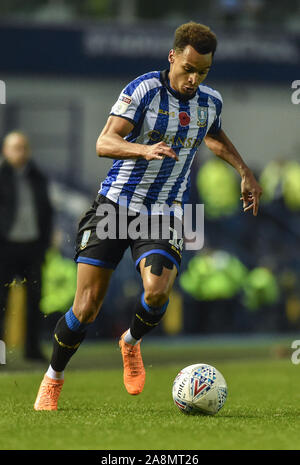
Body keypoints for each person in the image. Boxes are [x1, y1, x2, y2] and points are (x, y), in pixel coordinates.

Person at [34, 21, 262, 410]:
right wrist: (143, 150)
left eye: (202, 72)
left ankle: (130, 342)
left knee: (156, 293)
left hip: (167, 211)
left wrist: (244, 171)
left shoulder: (210, 101)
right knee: (86, 306)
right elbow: (104, 142)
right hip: (115, 205)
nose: (193, 79)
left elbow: (213, 135)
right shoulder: (143, 90)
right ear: (172, 56)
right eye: (188, 68)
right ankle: (53, 378)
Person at [0, 131, 53, 361]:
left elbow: (47, 211)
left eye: (23, 147)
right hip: (5, 247)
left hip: (32, 246)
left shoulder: (38, 176)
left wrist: (45, 242)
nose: (19, 152)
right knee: (0, 302)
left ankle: (32, 349)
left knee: (34, 300)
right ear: (5, 150)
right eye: (14, 147)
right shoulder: (1, 176)